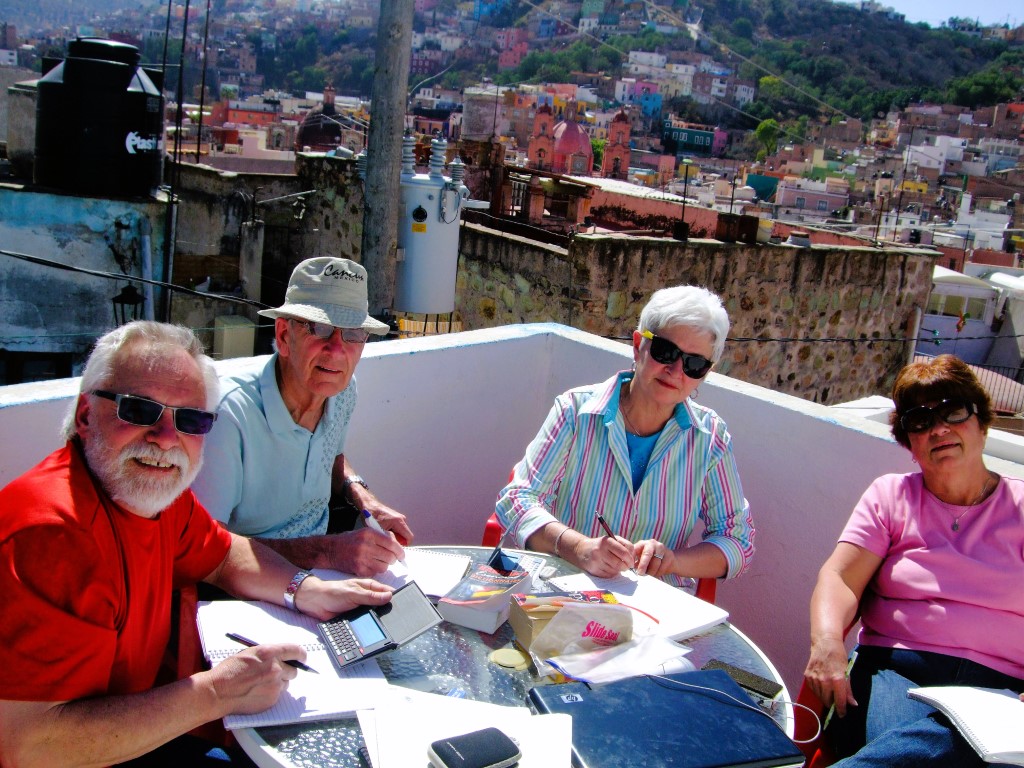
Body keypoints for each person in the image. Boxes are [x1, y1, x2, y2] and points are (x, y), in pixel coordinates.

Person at [0, 321, 393, 767]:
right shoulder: (51, 537)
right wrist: (219, 692)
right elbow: (29, 746)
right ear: (87, 415)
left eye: (189, 420)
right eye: (140, 410)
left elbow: (223, 554)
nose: (166, 439)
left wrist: (305, 590)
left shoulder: (158, 497)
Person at [803, 354, 1024, 766]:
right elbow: (840, 577)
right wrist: (828, 641)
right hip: (896, 673)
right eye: (920, 421)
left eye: (953, 411)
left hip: (1002, 690)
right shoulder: (892, 496)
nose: (939, 429)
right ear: (909, 442)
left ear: (982, 421)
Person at [495, 285, 754, 587]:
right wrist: (578, 548)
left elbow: (738, 541)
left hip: (656, 611)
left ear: (706, 372)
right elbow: (516, 500)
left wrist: (674, 561)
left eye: (694, 364)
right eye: (665, 351)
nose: (675, 370)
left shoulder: (710, 438)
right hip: (566, 593)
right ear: (637, 345)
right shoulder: (575, 411)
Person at [192, 257, 413, 577]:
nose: (336, 350)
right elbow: (205, 548)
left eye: (353, 332)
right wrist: (327, 551)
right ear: (283, 335)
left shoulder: (342, 390)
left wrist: (365, 499)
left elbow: (330, 454)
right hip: (247, 587)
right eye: (320, 328)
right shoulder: (228, 415)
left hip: (324, 570)